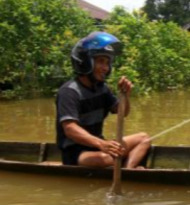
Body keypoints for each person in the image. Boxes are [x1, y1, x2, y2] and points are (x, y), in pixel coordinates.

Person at [56, 31, 151, 168]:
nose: (105, 68)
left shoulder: (102, 88)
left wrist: (125, 96)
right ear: (85, 62)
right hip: (77, 153)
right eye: (100, 61)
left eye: (107, 63)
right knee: (107, 159)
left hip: (99, 146)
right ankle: (123, 167)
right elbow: (70, 129)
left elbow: (122, 112)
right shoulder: (69, 91)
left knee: (144, 138)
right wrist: (101, 144)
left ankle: (128, 171)